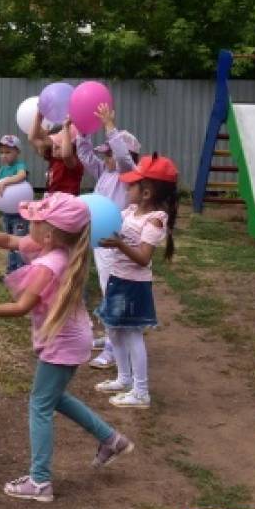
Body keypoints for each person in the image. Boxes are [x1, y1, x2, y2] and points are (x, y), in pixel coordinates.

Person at [0, 193, 135, 502]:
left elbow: (21, 307)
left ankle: (40, 481)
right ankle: (111, 439)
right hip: (71, 339)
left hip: (62, 344)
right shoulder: (55, 247)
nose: (27, 225)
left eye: (33, 221)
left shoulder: (50, 264)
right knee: (54, 398)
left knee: (39, 405)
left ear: (48, 233)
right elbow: (9, 240)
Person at [95, 154, 179, 410]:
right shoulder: (130, 211)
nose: (126, 188)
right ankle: (124, 378)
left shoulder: (153, 220)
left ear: (146, 193)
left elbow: (143, 257)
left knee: (132, 334)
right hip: (117, 280)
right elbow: (108, 224)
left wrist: (119, 243)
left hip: (133, 286)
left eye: (131, 185)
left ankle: (141, 391)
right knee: (113, 329)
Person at [75, 104, 141, 370]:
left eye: (109, 154)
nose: (105, 159)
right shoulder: (105, 173)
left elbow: (124, 158)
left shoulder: (128, 175)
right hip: (101, 241)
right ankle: (111, 336)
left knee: (113, 293)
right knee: (106, 290)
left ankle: (114, 350)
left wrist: (110, 127)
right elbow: (85, 155)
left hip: (117, 242)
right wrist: (83, 132)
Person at [0, 135, 30, 275]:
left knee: (20, 243)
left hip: (19, 215)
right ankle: (11, 271)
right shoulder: (2, 171)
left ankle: (22, 272)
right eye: (1, 152)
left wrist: (5, 182)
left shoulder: (20, 166)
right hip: (7, 214)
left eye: (8, 152)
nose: (4, 156)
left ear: (17, 151)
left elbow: (21, 176)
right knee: (9, 243)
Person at [29, 114, 82, 196]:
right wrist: (39, 116)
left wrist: (66, 127)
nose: (54, 147)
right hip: (51, 198)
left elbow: (66, 155)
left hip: (67, 202)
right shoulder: (53, 158)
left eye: (58, 146)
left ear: (73, 148)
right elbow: (33, 139)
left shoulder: (74, 163)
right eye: (54, 144)